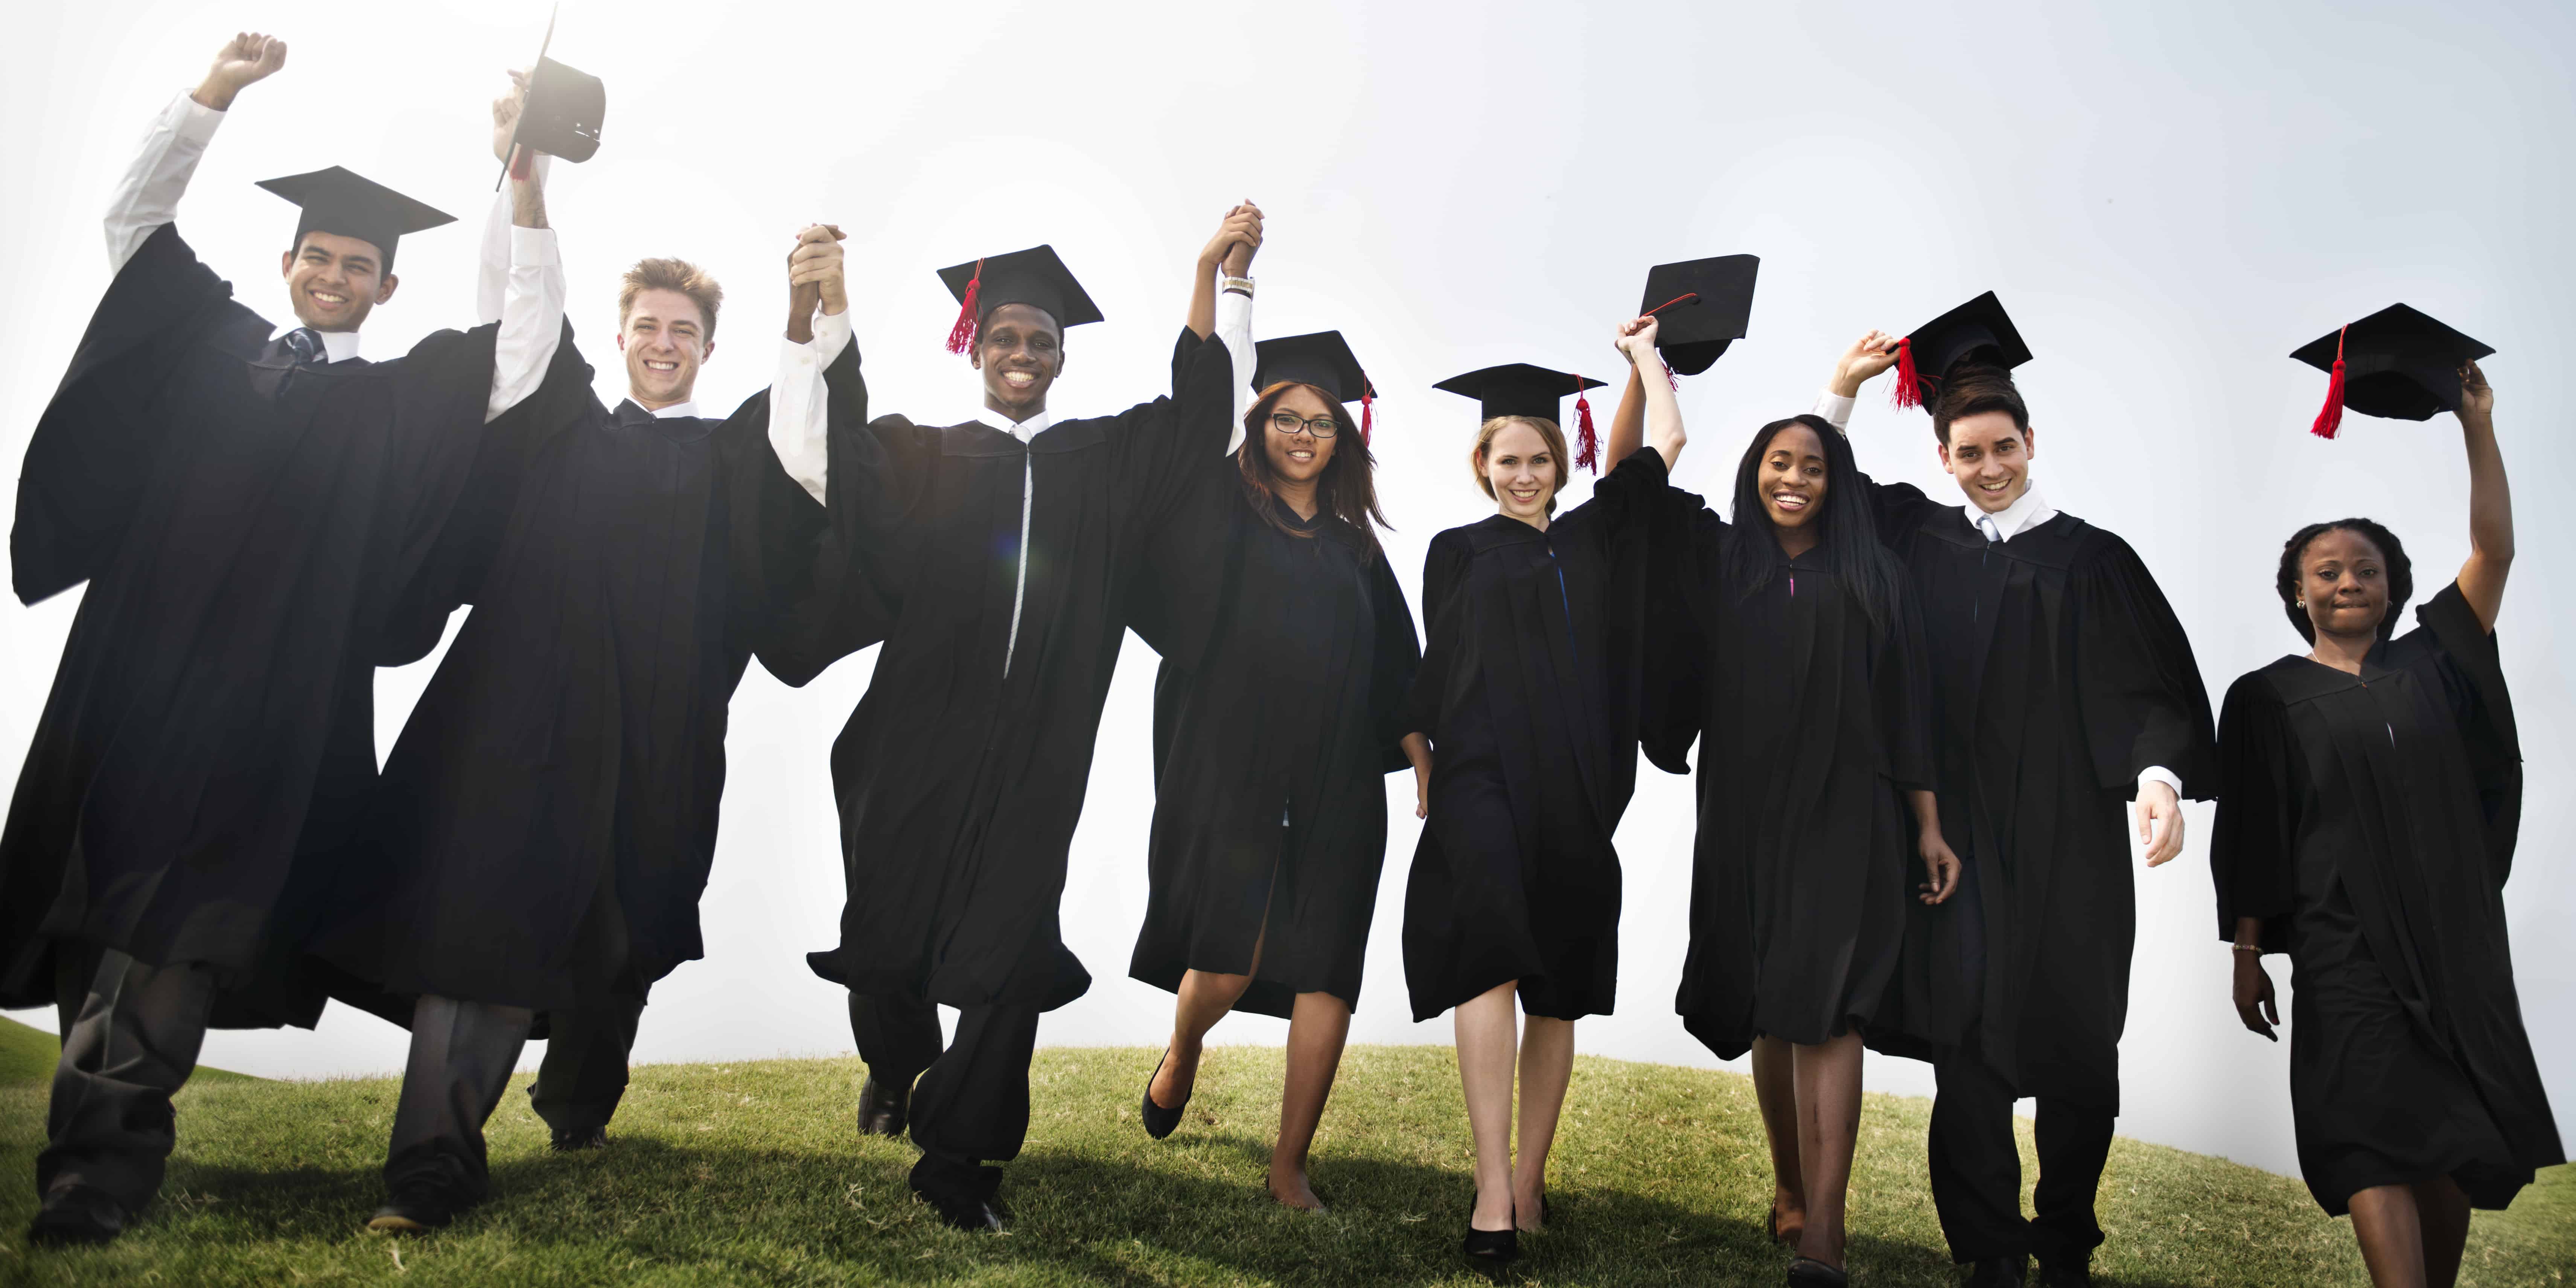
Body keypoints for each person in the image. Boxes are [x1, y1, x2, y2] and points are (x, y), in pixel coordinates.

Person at [7, 33, 565, 1247]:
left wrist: (519, 178)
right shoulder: (205, 351)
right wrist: (213, 98)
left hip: (274, 717)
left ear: (386, 287)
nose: (334, 274)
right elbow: (134, 227)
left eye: (358, 265)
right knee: (102, 923)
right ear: (290, 260)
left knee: (174, 928)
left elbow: (521, 342)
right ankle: (94, 1138)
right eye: (319, 255)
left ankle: (93, 1176)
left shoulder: (398, 400)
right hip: (132, 688)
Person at [304, 75, 865, 1232]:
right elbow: (516, 316)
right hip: (517, 722)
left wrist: (815, 328)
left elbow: (807, 457)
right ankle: (432, 1164)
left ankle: (579, 1096)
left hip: (657, 741)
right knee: (485, 922)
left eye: (686, 333)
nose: (664, 344)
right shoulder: (555, 421)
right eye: (647, 327)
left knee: (626, 930)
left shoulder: (729, 460)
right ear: (619, 339)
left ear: (710, 348)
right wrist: (529, 179)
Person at [792, 208, 1258, 1230]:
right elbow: (829, 461)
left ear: (1059, 356)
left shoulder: (1102, 457)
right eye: (1004, 337)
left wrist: (1219, 281)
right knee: (886, 925)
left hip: (1040, 751)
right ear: (974, 345)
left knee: (1008, 943)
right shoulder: (921, 452)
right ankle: (899, 1064)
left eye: (1040, 341)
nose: (1022, 354)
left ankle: (962, 1159)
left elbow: (1202, 419)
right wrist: (827, 316)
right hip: (910, 738)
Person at [1823, 295, 2215, 1288]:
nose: (1988, 465)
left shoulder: (2093, 559)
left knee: (2080, 1037)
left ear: (2029, 440)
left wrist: (2158, 779)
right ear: (1943, 458)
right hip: (1954, 836)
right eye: (1967, 451)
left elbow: (2151, 684)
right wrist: (1840, 393)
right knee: (1967, 1042)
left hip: (2072, 839)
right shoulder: (1917, 538)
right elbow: (1822, 494)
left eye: (2002, 445)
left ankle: (2066, 1237)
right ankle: (1989, 1248)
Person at [1609, 311, 1951, 1287]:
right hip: (1745, 810)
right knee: (1770, 1003)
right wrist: (1641, 364)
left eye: (1812, 464)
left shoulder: (1873, 575)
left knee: (1831, 1006)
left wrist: (1926, 822)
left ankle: (1825, 1230)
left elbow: (1909, 705)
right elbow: (1633, 477)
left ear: (1832, 481)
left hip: (1851, 811)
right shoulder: (1722, 561)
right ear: (1752, 475)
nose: (1794, 476)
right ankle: (1790, 1183)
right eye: (1776, 462)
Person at [2214, 324, 2558, 1288]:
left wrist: (2473, 424)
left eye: (2364, 568)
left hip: (2454, 943)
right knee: (2363, 1131)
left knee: (2445, 1139)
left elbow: (2495, 546)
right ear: (2295, 592)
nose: (2346, 580)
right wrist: (2246, 954)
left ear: (2393, 586)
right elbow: (2249, 834)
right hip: (2341, 946)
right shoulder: (2266, 695)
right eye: (2325, 571)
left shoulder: (2434, 660)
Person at [1125, 288, 1422, 1210]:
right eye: (1285, 418)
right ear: (1258, 427)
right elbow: (1201, 407)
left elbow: (1397, 659)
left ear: (1342, 438)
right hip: (1232, 764)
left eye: (1320, 422)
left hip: (1335, 771)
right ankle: (1185, 1047)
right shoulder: (1223, 516)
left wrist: (1418, 745)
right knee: (1229, 959)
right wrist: (1224, 281)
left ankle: (1289, 1162)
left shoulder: (1356, 549)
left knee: (1330, 959)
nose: (1302, 434)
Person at [1402, 352, 1677, 1270]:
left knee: (1556, 982)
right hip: (1480, 780)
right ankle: (1489, 1189)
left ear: (1563, 465)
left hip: (1576, 789)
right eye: (1505, 460)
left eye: (1538, 460)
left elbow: (1661, 441)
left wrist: (1641, 363)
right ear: (1482, 465)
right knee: (1487, 958)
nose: (1522, 476)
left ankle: (1529, 1180)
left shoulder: (1597, 537)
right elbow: (1434, 672)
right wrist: (1420, 760)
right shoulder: (1457, 550)